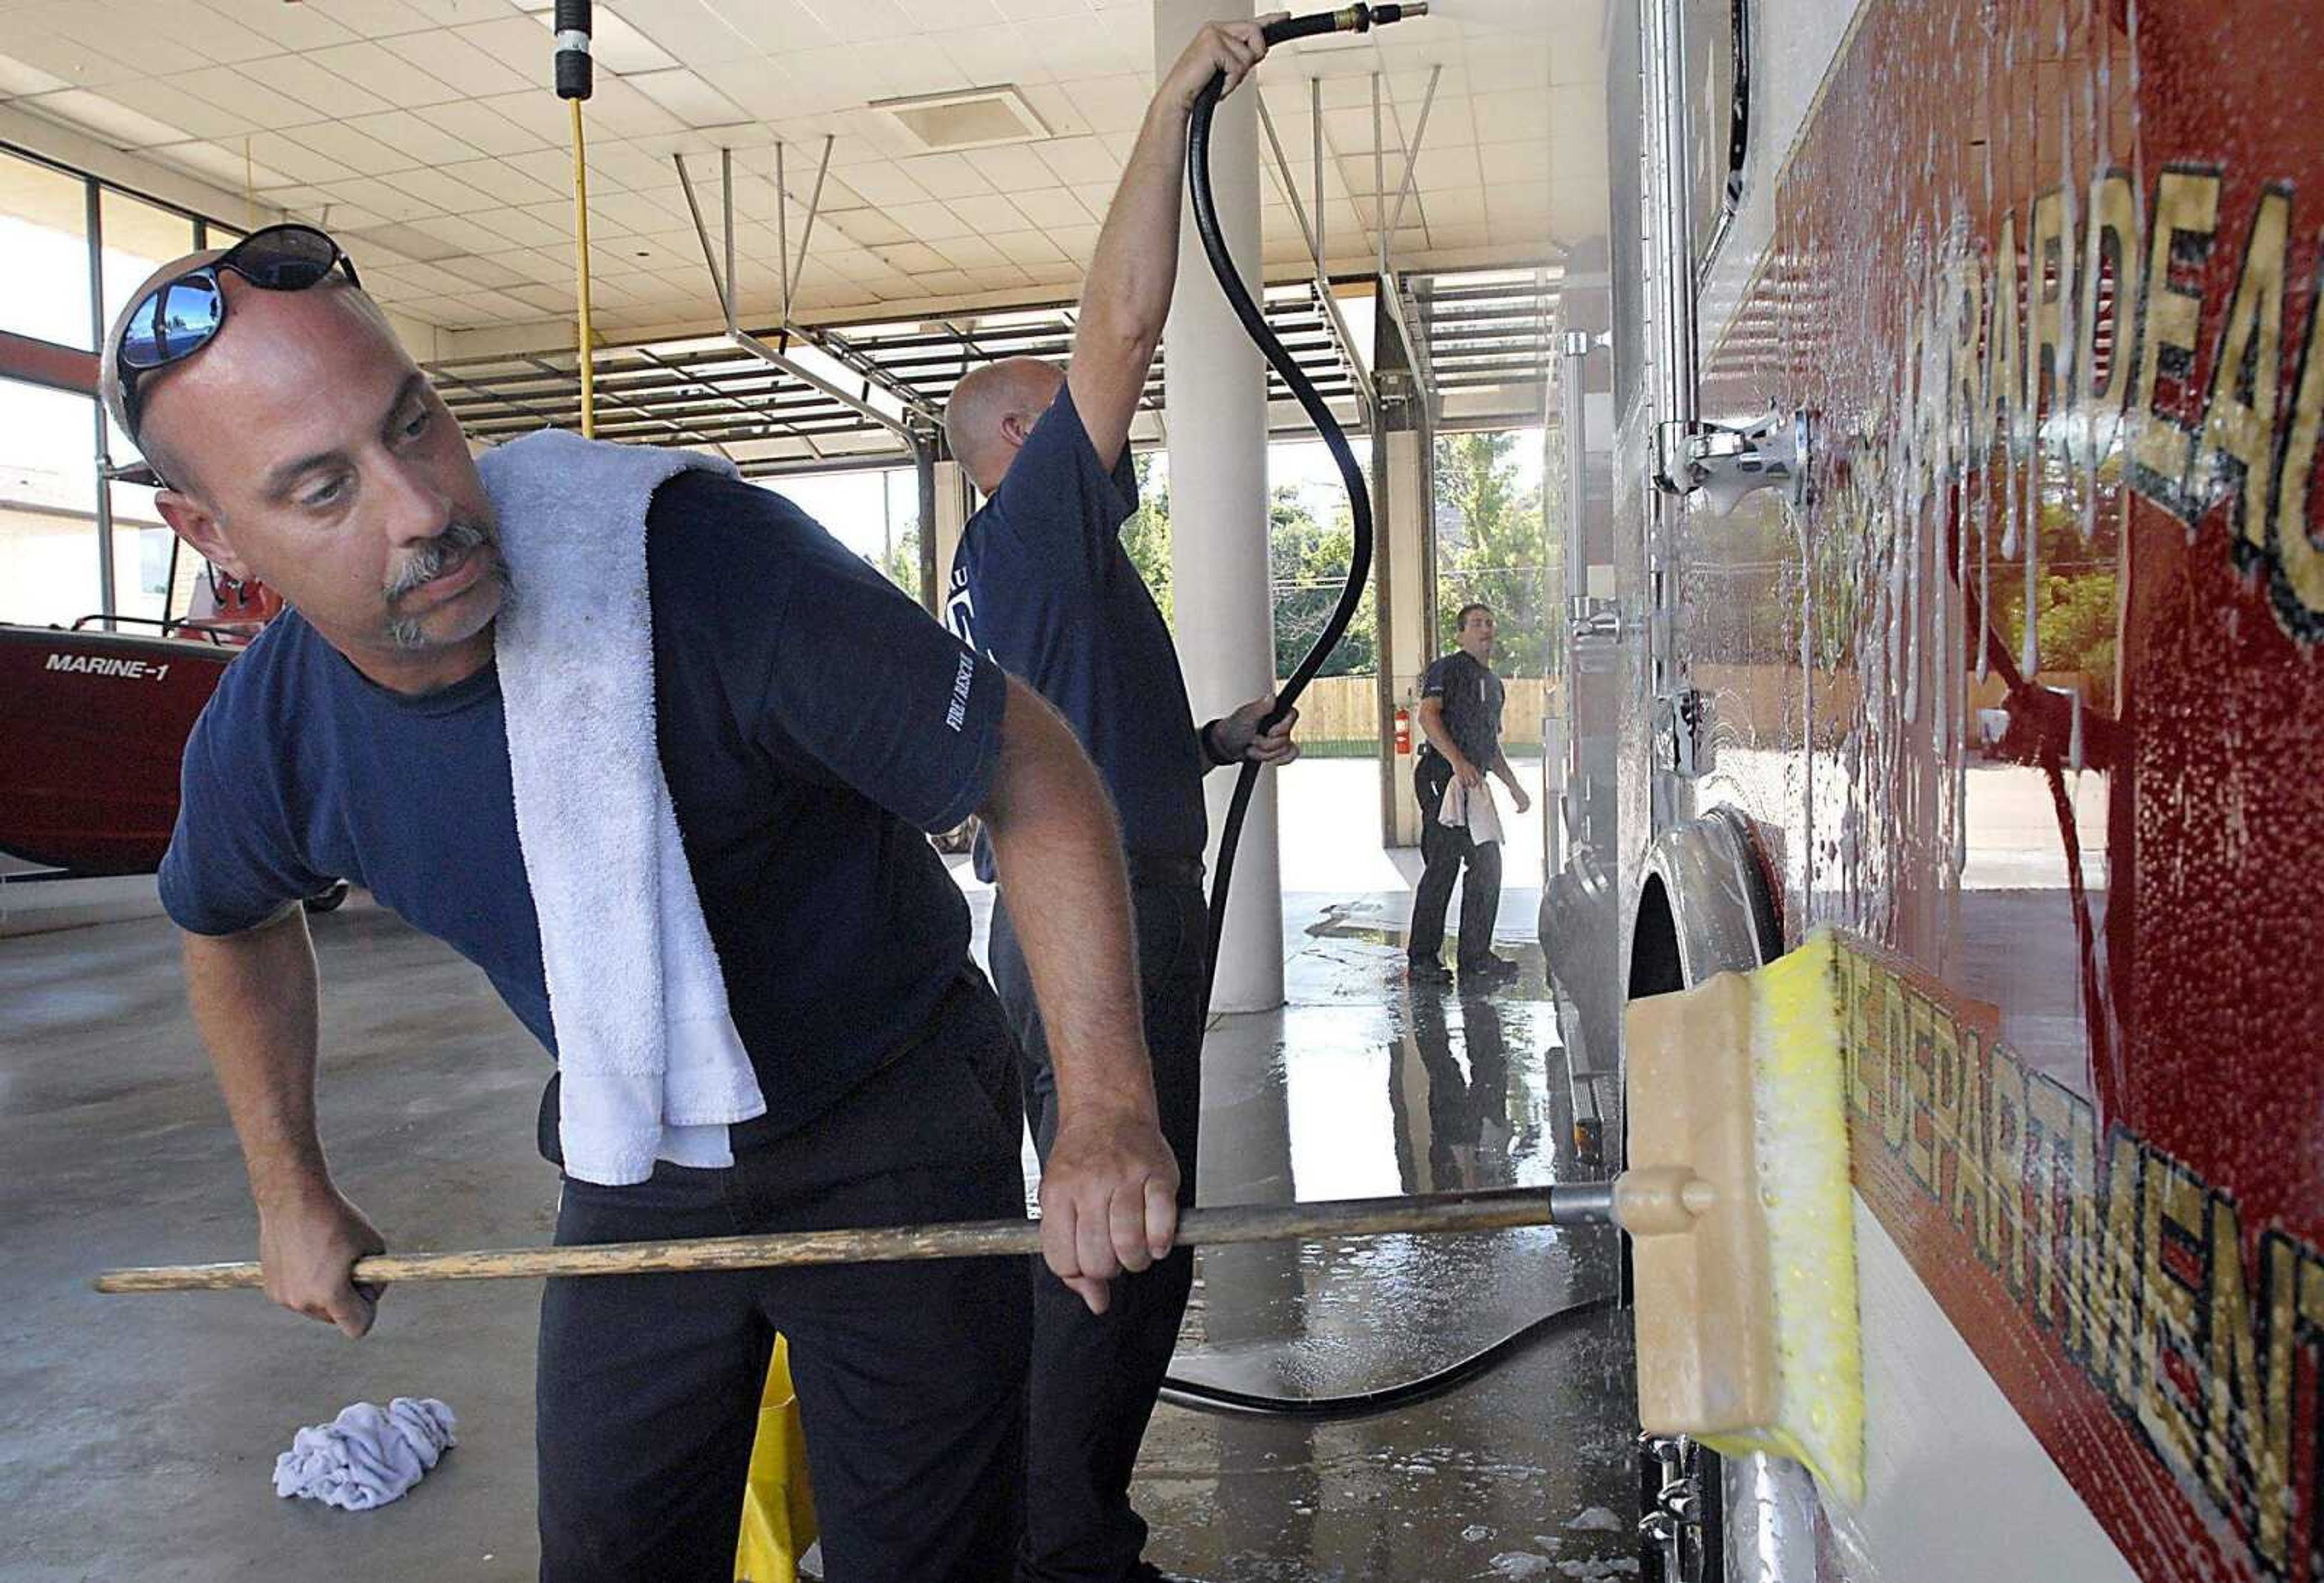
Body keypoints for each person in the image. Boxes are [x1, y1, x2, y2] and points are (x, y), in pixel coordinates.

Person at [108, 226, 1180, 1582]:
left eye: (414, 426)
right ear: (210, 534)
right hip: (638, 1145)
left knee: (931, 1558)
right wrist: (288, 1187)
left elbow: (1031, 768)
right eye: (323, 490)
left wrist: (1101, 1115)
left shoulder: (713, 571)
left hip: (892, 1111)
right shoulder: (277, 731)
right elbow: (226, 917)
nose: (422, 506)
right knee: (611, 1555)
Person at [940, 17, 1296, 1582]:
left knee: (1136, 1241)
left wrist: (1211, 743)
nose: (1117, 434)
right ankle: (1057, 1546)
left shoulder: (1036, 578)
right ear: (1014, 446)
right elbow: (1126, 316)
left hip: (1109, 903)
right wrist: (1176, 106)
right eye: (1071, 418)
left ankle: (1063, 1525)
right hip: (1094, 927)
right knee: (1115, 1245)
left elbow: (1063, 743)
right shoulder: (1033, 526)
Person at [1408, 601, 1531, 983]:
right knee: (1443, 864)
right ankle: (1422, 959)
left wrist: (1513, 786)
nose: (1486, 630)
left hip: (1474, 782)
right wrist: (1457, 762)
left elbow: (1491, 744)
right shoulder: (1448, 669)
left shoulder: (1493, 686)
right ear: (1461, 634)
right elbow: (1427, 715)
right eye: (1477, 623)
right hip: (1442, 774)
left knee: (1487, 863)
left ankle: (1475, 957)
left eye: (1490, 623)